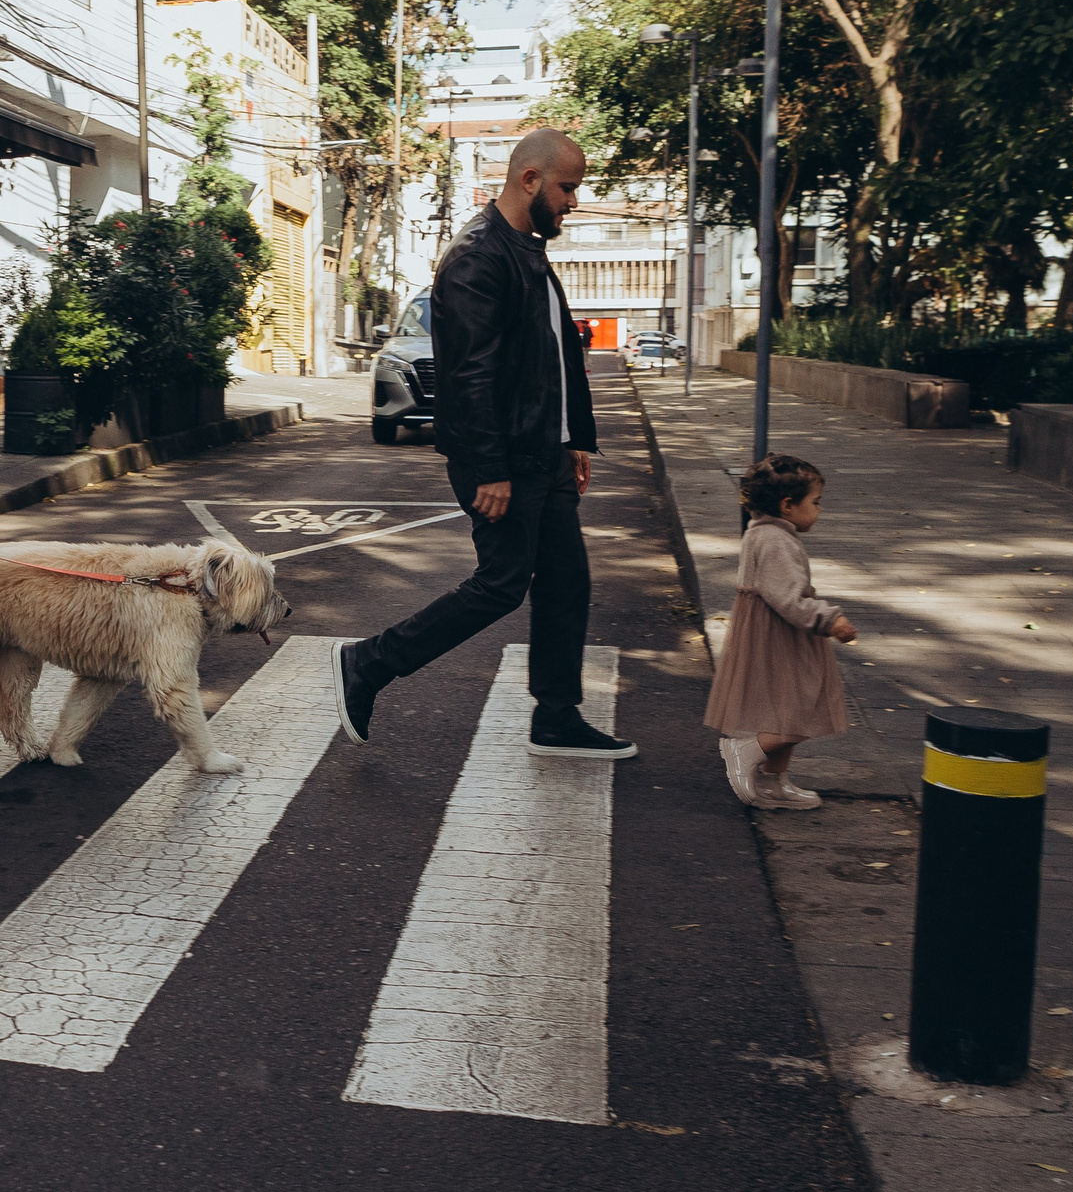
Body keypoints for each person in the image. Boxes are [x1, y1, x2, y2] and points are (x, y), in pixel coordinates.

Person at [331, 129, 636, 760]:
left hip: (544, 454)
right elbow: (471, 375)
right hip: (506, 461)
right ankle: (369, 662)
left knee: (566, 582)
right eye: (568, 188)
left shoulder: (527, 250)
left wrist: (572, 440)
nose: (574, 201)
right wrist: (490, 467)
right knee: (501, 584)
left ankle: (556, 717)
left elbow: (551, 359)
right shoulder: (477, 256)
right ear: (530, 180)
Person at [703, 454, 859, 809]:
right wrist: (830, 620)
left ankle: (773, 781)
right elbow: (788, 598)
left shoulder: (763, 533)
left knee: (783, 710)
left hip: (772, 633)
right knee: (803, 710)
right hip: (780, 637)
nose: (819, 510)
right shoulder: (776, 541)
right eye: (815, 502)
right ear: (788, 505)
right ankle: (745, 750)